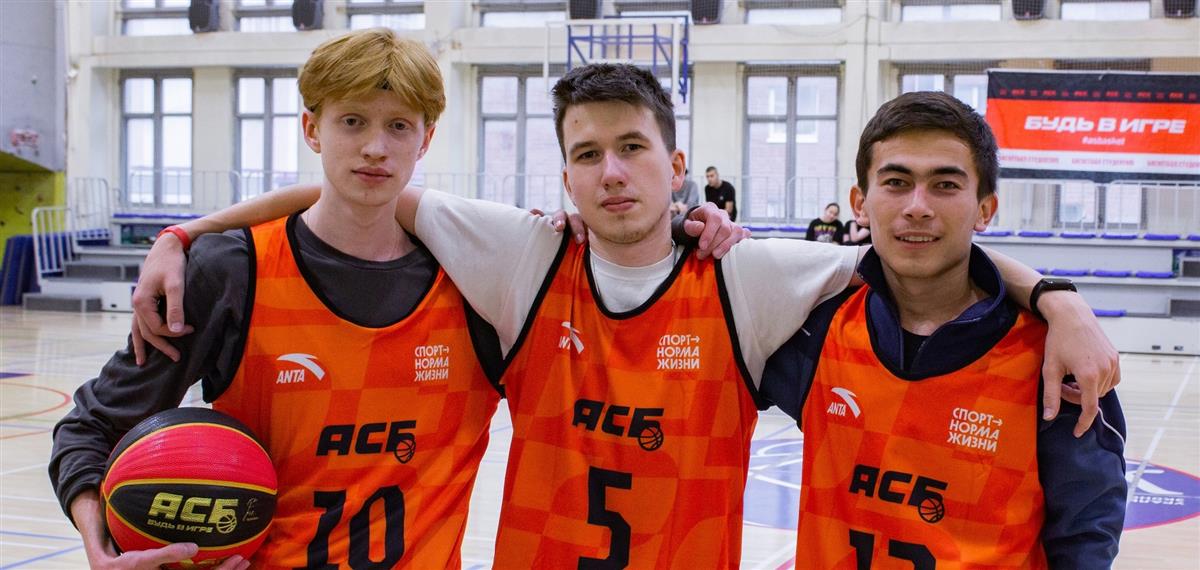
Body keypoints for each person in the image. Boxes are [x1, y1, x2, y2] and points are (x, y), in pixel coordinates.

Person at [130, 64, 1119, 568]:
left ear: (676, 164)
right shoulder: (523, 256)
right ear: (562, 176)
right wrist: (187, 232)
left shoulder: (749, 276)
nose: (612, 172)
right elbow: (355, 187)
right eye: (587, 154)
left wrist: (1056, 297)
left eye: (633, 148)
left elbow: (920, 247)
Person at [49, 29, 509, 570]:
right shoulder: (231, 271)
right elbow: (90, 428)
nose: (375, 147)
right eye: (352, 121)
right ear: (312, 129)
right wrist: (98, 544)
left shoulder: (477, 278)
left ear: (425, 140)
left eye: (399, 126)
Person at [762, 92, 1126, 567]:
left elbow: (1086, 536)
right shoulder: (814, 330)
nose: (918, 207)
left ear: (985, 210)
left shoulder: (1053, 357)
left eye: (945, 185)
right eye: (896, 182)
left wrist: (1056, 300)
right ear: (860, 203)